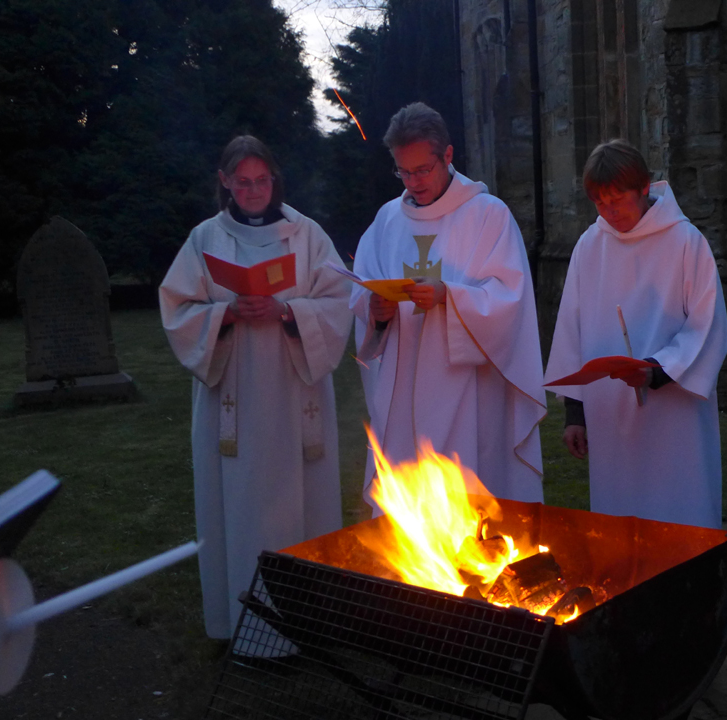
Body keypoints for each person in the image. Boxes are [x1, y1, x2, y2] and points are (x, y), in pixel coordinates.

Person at [160, 135, 352, 641]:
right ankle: (242, 628)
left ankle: (305, 627)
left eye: (260, 180)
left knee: (300, 505)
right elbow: (177, 310)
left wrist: (287, 310)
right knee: (241, 508)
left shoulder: (306, 236)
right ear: (225, 182)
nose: (252, 190)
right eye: (242, 182)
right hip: (235, 400)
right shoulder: (205, 239)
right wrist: (225, 313)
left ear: (274, 179)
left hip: (294, 394)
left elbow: (339, 303)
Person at [351, 102, 545, 510]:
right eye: (404, 171)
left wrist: (449, 297)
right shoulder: (387, 221)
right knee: (409, 508)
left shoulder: (488, 215)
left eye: (423, 170)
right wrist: (377, 313)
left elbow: (509, 300)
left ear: (448, 155)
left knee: (469, 499)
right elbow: (363, 292)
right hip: (403, 385)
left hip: (469, 389)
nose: (414, 182)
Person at [544, 140, 727, 529]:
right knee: (620, 518)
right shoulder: (590, 246)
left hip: (673, 410)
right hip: (609, 412)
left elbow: (706, 324)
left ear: (644, 186)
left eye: (617, 200)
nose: (609, 212)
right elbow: (571, 331)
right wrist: (575, 414)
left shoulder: (685, 241)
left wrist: (656, 370)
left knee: (678, 511)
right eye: (600, 203)